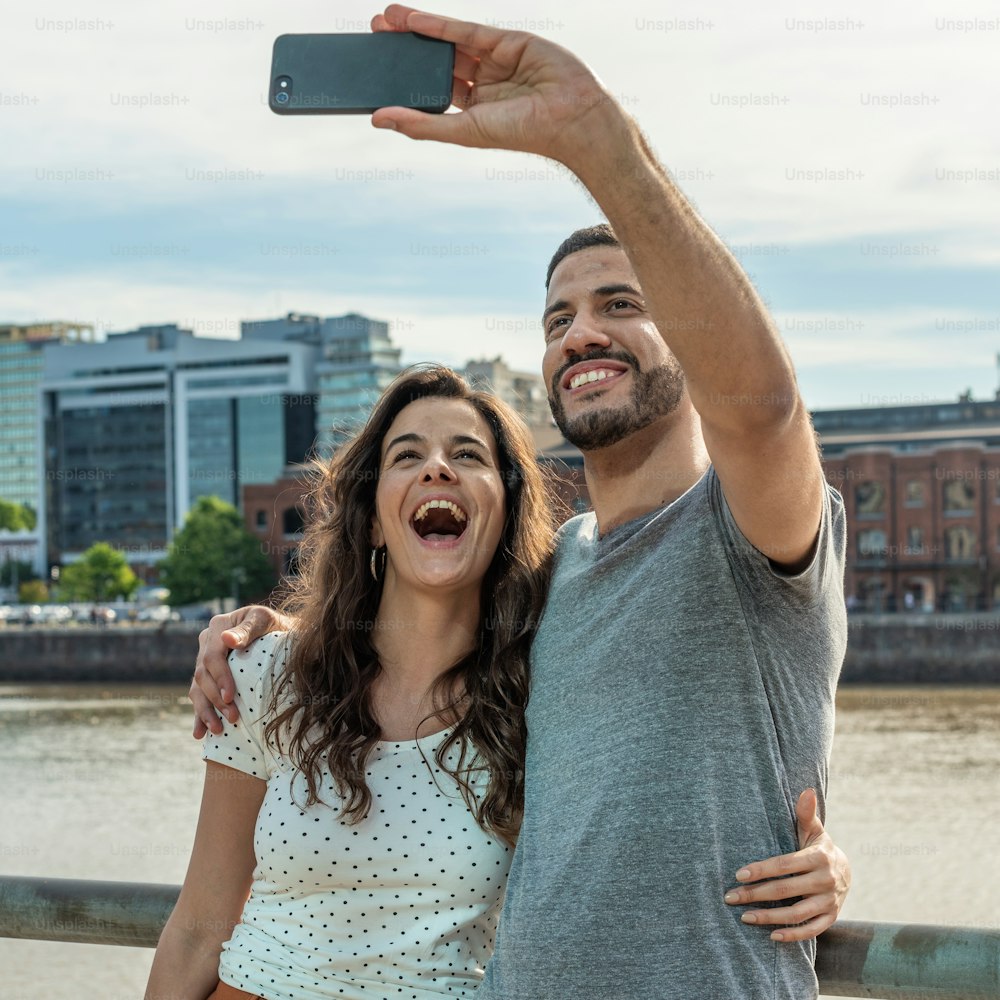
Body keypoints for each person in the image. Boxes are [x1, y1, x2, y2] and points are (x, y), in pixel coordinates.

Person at [190, 8, 852, 999]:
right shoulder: (548, 584)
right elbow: (415, 625)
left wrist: (593, 139)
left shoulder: (751, 531)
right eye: (558, 317)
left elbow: (761, 408)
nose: (581, 332)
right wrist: (267, 631)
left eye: (622, 303)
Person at [147, 366, 557, 999]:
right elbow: (199, 928)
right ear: (370, 520)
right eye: (408, 454)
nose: (438, 468)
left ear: (504, 510)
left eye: (467, 454)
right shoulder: (264, 673)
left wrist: (765, 868)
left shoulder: (543, 700)